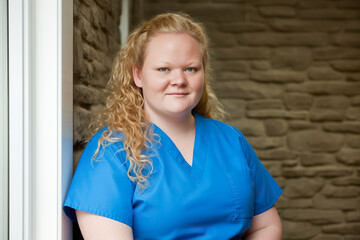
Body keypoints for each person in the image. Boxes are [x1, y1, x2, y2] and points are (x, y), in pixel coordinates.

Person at [64, 12, 283, 240]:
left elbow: (265, 227)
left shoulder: (231, 141)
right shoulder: (111, 152)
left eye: (191, 69)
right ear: (137, 75)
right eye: (164, 69)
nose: (179, 80)